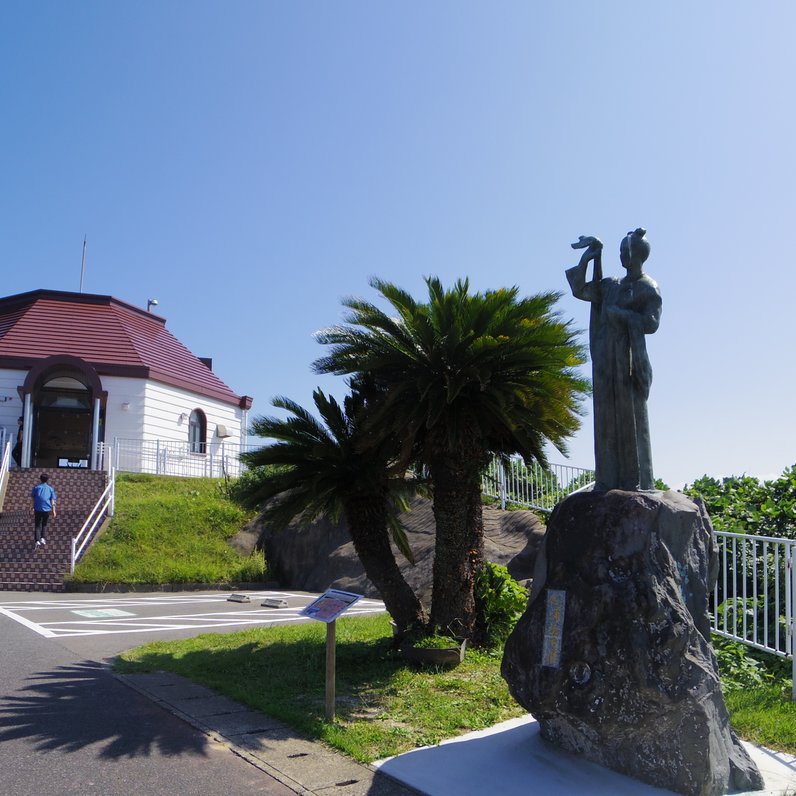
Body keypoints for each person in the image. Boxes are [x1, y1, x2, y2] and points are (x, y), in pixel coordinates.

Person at [566, 228, 662, 491]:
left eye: (624, 250)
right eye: (619, 250)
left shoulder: (647, 287)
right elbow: (581, 290)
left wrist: (622, 315)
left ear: (637, 254)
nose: (620, 255)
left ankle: (636, 481)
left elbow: (651, 324)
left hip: (627, 359)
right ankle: (608, 479)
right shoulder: (611, 285)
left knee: (630, 417)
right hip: (605, 358)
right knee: (605, 416)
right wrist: (591, 257)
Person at [32, 473, 57, 548]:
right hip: (47, 508)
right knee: (44, 524)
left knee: (37, 525)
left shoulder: (36, 488)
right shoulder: (50, 489)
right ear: (47, 480)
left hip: (37, 508)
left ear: (40, 479)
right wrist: (54, 510)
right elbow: (52, 500)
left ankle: (37, 540)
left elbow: (33, 498)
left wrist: (32, 507)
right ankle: (43, 538)